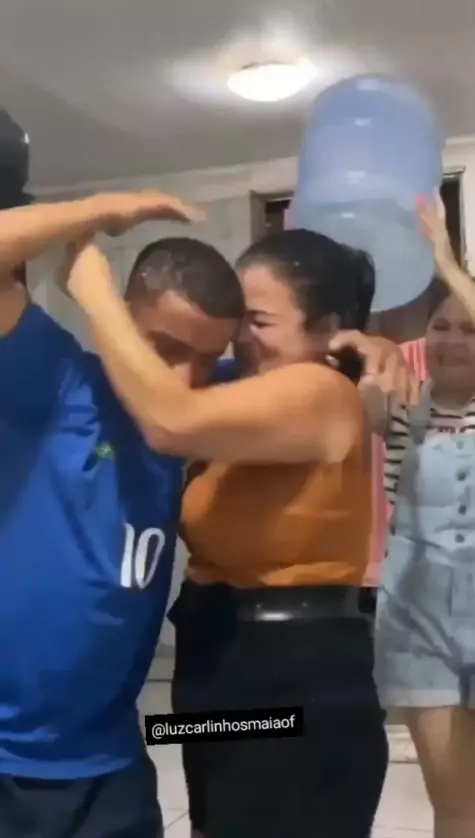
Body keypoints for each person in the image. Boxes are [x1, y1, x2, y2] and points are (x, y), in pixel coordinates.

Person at [63, 227, 409, 838]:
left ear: (326, 327)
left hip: (293, 678)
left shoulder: (320, 389)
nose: (238, 335)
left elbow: (169, 421)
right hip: (215, 658)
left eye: (259, 320)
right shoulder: (240, 391)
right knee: (215, 821)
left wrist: (95, 295)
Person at [0, 193, 244, 838]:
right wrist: (104, 210)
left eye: (206, 358)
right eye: (164, 347)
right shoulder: (53, 377)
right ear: (121, 317)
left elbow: (311, 381)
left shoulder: (198, 409)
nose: (184, 379)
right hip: (8, 759)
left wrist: (366, 350)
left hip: (112, 760)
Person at [362, 196, 475, 838]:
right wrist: (363, 343)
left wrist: (448, 265)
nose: (452, 339)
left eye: (470, 327)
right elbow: (342, 401)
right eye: (440, 325)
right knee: (458, 804)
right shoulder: (402, 403)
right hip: (419, 625)